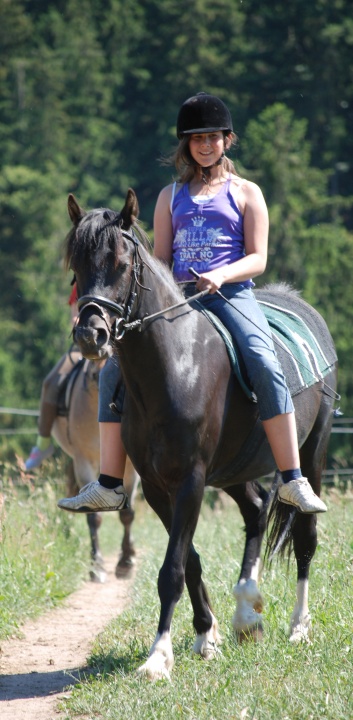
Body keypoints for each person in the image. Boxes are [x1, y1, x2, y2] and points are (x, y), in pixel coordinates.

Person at [58, 91, 327, 515]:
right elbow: (161, 259)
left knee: (263, 360)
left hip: (231, 295)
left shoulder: (246, 192)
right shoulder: (170, 196)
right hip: (179, 301)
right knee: (112, 370)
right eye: (196, 138)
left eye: (213, 137)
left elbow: (259, 257)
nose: (205, 145)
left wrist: (222, 274)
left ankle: (292, 478)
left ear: (227, 139)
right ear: (186, 145)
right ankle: (109, 484)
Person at [24, 284, 82, 470]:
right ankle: (43, 442)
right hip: (83, 349)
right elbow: (74, 316)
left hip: (116, 348)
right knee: (50, 383)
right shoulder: (79, 282)